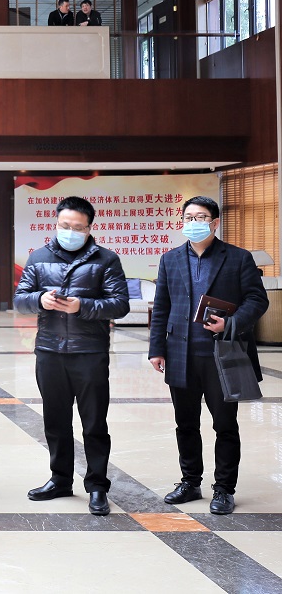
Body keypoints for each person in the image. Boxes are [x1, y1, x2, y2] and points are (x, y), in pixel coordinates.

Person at [148, 196, 269, 515]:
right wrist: (156, 348)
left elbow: (257, 300)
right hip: (181, 354)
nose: (193, 222)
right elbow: (162, 306)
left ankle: (224, 489)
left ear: (215, 222)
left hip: (223, 355)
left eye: (200, 217)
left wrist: (231, 324)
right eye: (188, 217)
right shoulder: (170, 259)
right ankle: (190, 482)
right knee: (185, 423)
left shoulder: (238, 258)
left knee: (225, 425)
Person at [14, 196, 129, 516]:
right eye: (65, 225)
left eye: (78, 227)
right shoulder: (38, 257)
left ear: (89, 228)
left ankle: (97, 486)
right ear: (56, 223)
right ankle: (60, 479)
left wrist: (83, 306)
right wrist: (40, 299)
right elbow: (20, 300)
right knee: (56, 422)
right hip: (49, 351)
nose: (70, 231)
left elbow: (120, 304)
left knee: (94, 423)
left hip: (89, 353)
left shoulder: (106, 260)